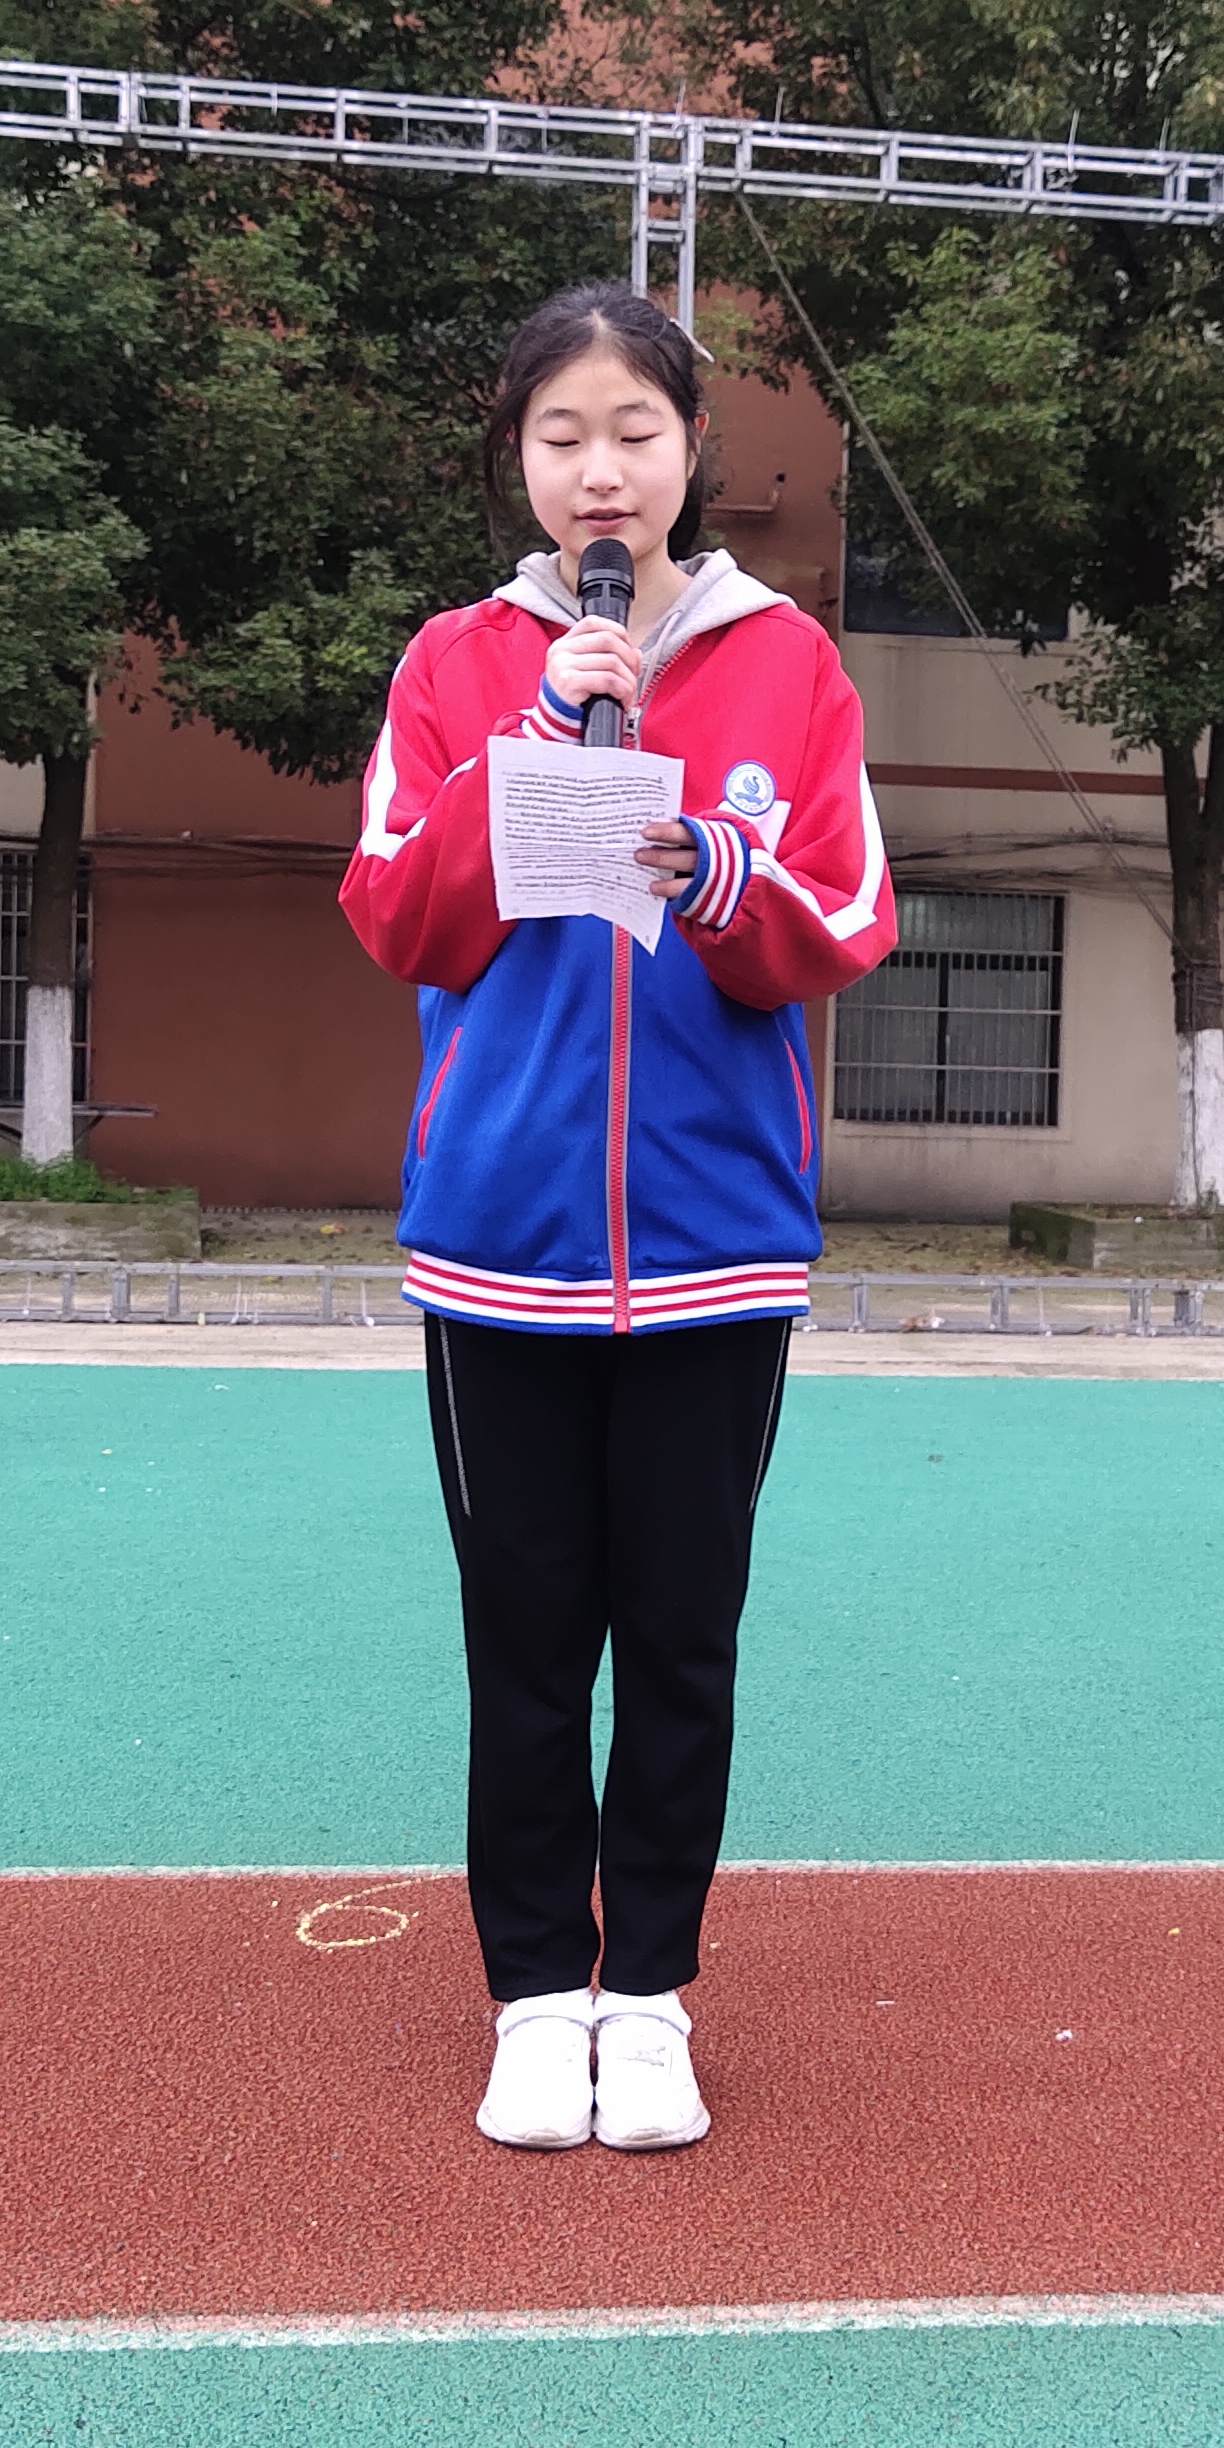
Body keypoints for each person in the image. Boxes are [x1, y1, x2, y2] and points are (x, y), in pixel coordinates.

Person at [340, 284, 898, 2151]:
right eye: (564, 435)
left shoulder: (789, 667)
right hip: (498, 1243)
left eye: (635, 433)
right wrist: (529, 760)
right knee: (524, 1643)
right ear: (520, 456)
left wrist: (720, 869)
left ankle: (647, 1997)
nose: (602, 471)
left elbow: (847, 922)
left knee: (680, 1639)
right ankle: (532, 1997)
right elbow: (396, 916)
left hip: (716, 1244)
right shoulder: (454, 664)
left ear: (690, 452)